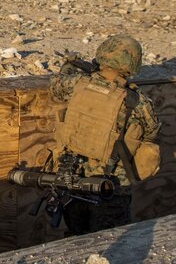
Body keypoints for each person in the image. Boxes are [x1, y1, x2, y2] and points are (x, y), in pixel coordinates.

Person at [47, 34, 161, 235]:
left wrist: (68, 68)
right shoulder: (136, 102)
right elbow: (152, 132)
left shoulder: (77, 84)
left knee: (75, 238)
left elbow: (56, 86)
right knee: (112, 242)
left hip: (74, 179)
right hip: (111, 188)